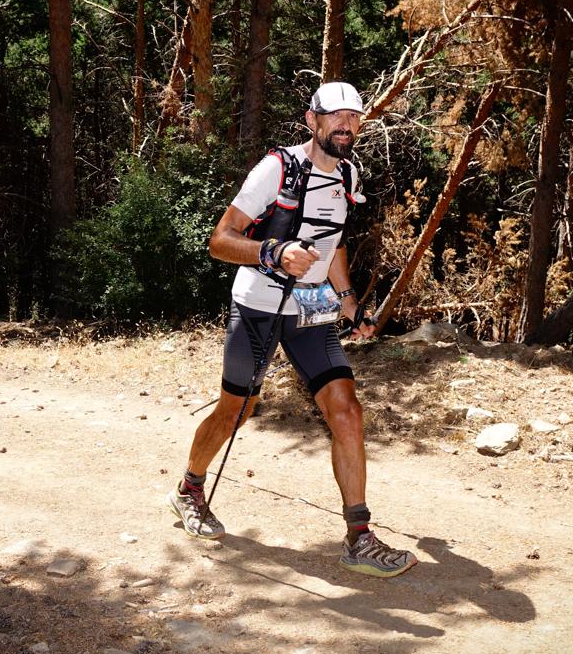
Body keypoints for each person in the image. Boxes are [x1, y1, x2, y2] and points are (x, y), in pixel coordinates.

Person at [168, 81, 416, 578]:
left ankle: (359, 537)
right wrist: (274, 252)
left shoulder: (347, 174)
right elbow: (221, 240)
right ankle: (190, 489)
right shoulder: (276, 169)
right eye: (335, 117)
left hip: (311, 313)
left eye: (354, 118)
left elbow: (333, 247)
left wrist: (347, 299)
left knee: (346, 411)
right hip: (259, 305)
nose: (345, 126)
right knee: (236, 410)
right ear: (313, 121)